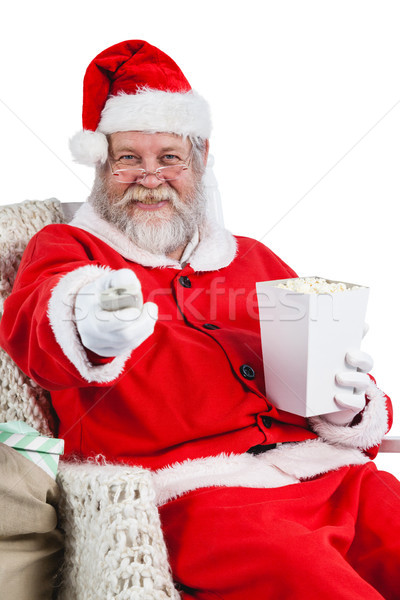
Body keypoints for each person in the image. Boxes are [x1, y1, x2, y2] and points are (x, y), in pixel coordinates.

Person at [0, 40, 399, 599]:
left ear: (201, 159)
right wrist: (89, 323)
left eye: (169, 157)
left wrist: (349, 406)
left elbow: (329, 364)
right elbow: (38, 326)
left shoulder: (253, 257)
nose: (150, 176)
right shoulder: (67, 246)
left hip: (337, 478)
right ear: (101, 165)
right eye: (128, 158)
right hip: (205, 501)